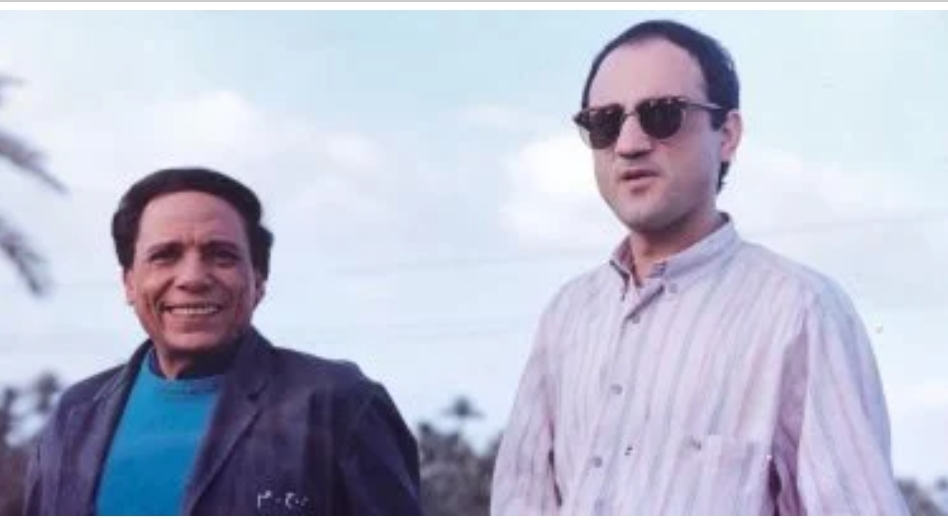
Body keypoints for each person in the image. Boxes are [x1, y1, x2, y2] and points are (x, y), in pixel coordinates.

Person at [490, 19, 907, 515]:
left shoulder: (800, 312)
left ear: (727, 135)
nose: (628, 143)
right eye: (604, 122)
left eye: (662, 115)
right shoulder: (567, 315)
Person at [23, 167, 422, 515]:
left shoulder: (340, 405)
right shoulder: (75, 416)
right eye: (165, 256)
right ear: (129, 282)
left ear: (258, 281)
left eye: (222, 255)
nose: (193, 278)